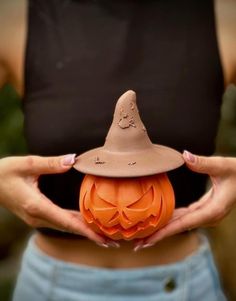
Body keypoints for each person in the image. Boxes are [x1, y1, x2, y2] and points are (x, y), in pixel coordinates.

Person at [0, 0, 235, 300]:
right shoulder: (14, 14)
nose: (122, 212)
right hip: (49, 287)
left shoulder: (225, 14)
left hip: (185, 287)